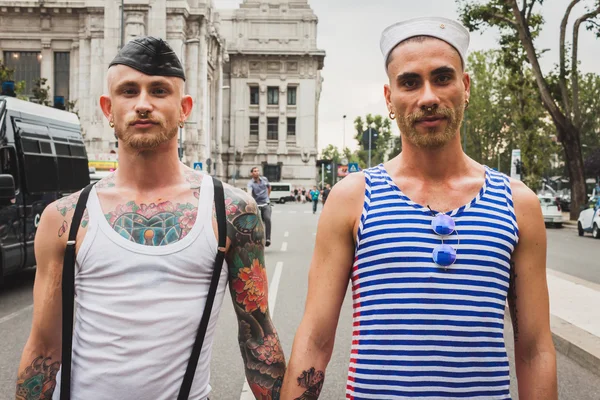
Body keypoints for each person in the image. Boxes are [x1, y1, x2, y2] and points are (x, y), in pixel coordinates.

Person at [282, 17, 557, 400]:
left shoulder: (517, 202)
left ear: (465, 87)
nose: (428, 96)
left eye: (442, 78)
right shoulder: (353, 197)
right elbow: (314, 338)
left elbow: (535, 349)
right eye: (410, 82)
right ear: (389, 98)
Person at [15, 36, 285, 400]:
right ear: (107, 108)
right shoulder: (63, 218)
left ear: (185, 107)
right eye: (129, 91)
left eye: (159, 91)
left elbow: (257, 339)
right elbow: (43, 350)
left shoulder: (231, 211)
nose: (143, 104)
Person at [247, 167, 272, 247]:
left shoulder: (264, 179)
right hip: (256, 204)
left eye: (258, 171)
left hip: (265, 203)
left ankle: (268, 238)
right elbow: (249, 192)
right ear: (252, 173)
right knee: (254, 222)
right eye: (255, 171)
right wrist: (250, 200)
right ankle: (254, 239)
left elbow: (269, 187)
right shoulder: (250, 183)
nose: (257, 172)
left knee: (267, 219)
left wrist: (267, 196)